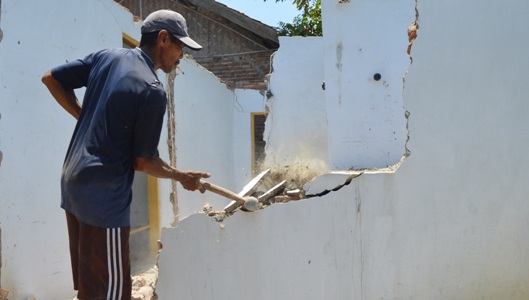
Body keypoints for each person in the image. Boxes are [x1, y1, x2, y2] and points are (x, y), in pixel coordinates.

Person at [41, 10, 210, 300]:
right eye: (181, 46)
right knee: (113, 293)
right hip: (103, 198)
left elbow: (50, 78)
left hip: (73, 183)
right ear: (164, 39)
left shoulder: (107, 57)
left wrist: (85, 117)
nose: (182, 55)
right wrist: (182, 177)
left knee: (92, 287)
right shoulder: (152, 90)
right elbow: (142, 161)